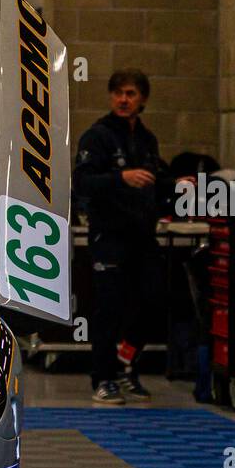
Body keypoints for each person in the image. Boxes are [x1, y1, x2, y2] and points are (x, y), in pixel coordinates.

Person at [72, 68, 169, 405]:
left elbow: (157, 181)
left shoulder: (147, 140)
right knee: (109, 307)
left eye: (130, 94)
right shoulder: (97, 136)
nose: (123, 100)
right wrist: (120, 178)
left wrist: (178, 187)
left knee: (154, 300)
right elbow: (82, 182)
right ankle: (103, 378)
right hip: (109, 236)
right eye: (118, 93)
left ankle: (126, 364)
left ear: (142, 99)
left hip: (143, 236)